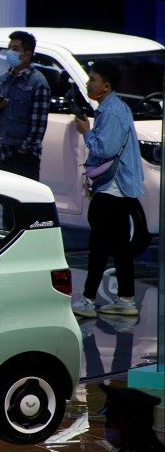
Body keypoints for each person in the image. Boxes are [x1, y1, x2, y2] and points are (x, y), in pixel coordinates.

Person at [72, 61, 144, 318]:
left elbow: (106, 149)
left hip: (112, 189)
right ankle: (126, 299)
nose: (89, 83)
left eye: (93, 79)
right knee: (120, 246)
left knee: (100, 246)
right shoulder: (114, 108)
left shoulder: (112, 112)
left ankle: (88, 301)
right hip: (119, 188)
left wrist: (86, 132)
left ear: (106, 86)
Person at [0, 30, 50, 180]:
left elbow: (38, 126)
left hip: (24, 157)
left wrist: (22, 150)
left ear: (28, 54)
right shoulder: (4, 78)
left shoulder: (38, 83)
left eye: (15, 49)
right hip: (5, 152)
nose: (10, 52)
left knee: (25, 201)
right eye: (9, 48)